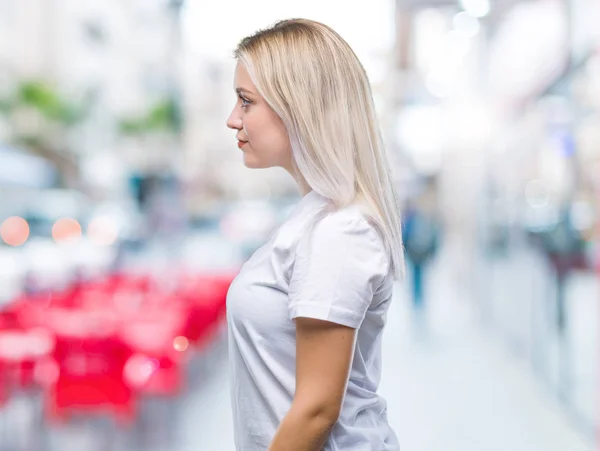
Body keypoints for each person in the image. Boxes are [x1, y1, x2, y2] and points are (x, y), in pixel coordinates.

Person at [225, 19, 404, 451]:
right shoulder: (316, 219)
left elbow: (316, 410)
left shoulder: (339, 231)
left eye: (246, 102)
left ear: (298, 106)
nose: (233, 120)